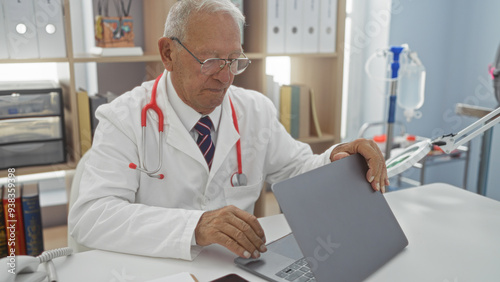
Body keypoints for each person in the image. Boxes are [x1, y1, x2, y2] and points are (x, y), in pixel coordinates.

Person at [68, 0, 388, 261]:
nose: (225, 77)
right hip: (156, 272)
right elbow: (92, 217)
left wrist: (336, 159)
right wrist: (195, 226)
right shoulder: (124, 118)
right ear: (168, 53)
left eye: (234, 60)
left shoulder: (255, 111)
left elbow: (297, 169)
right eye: (209, 60)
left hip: (233, 269)